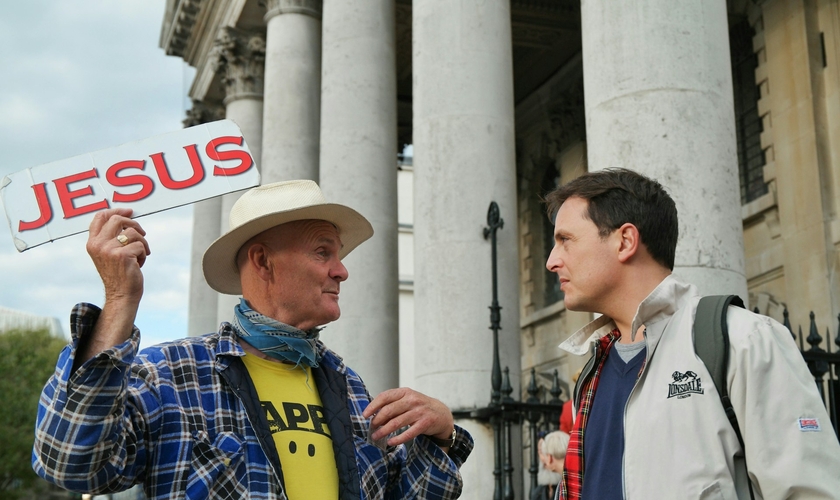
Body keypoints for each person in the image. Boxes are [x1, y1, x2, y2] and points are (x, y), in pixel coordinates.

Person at [32, 180, 473, 499]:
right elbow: (71, 463)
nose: (342, 270)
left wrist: (444, 436)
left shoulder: (349, 386)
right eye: (323, 252)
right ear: (263, 261)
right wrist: (119, 298)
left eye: (338, 256)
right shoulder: (172, 375)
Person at [544, 169, 840, 499]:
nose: (552, 261)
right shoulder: (592, 372)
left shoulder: (743, 339)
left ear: (625, 241)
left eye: (565, 241)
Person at [530, 431, 569, 500]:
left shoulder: (565, 486)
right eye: (540, 452)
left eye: (543, 453)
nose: (543, 459)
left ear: (549, 457)